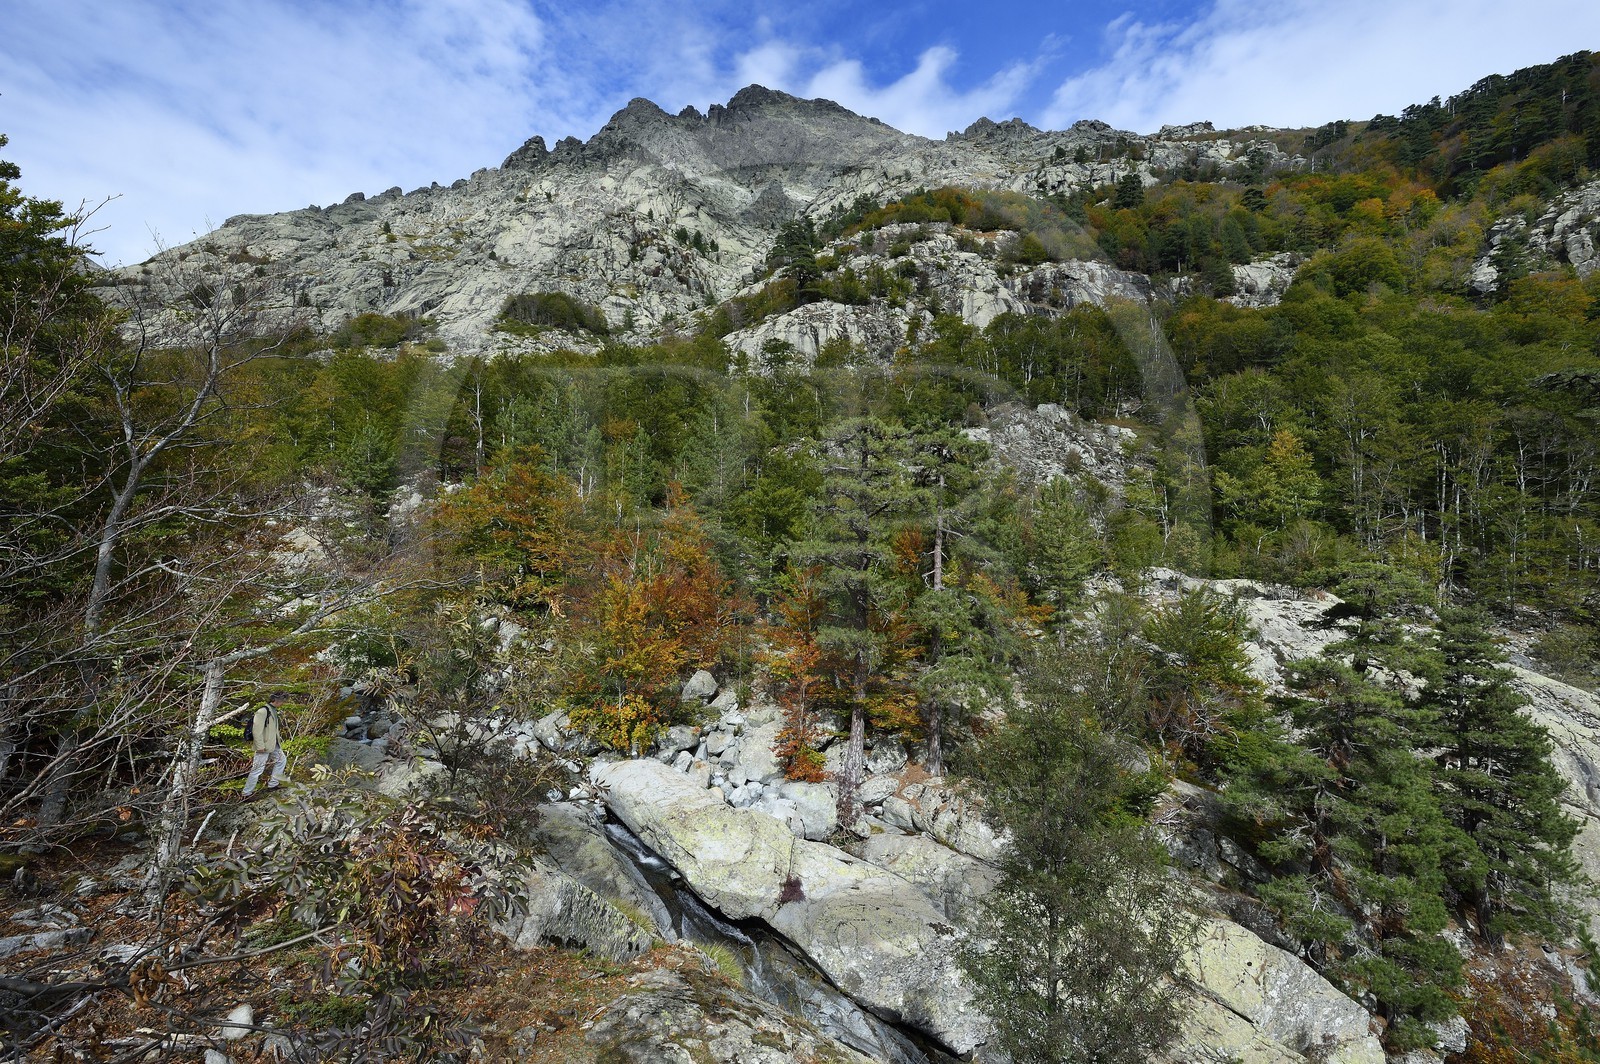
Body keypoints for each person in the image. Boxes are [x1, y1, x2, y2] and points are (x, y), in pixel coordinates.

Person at [243, 702, 286, 798]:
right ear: (277, 699)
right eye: (283, 700)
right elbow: (256, 730)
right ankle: (246, 793)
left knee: (281, 760)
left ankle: (273, 784)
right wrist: (259, 746)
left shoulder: (273, 710)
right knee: (257, 769)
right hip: (263, 745)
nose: (283, 703)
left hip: (272, 744)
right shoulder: (263, 711)